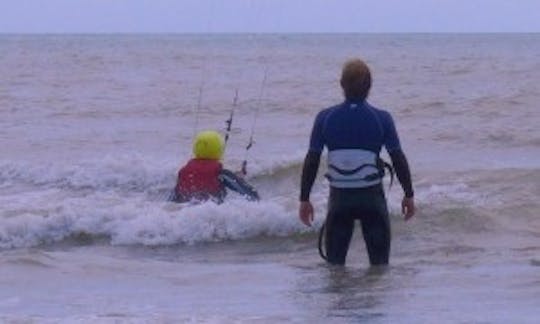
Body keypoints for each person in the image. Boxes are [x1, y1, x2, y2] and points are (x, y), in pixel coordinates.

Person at [298, 58, 415, 266]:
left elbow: (312, 160)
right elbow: (397, 158)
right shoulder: (382, 118)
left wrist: (304, 199)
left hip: (340, 202)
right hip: (371, 200)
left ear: (341, 85)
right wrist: (408, 194)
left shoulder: (325, 118)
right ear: (369, 86)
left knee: (335, 270)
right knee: (379, 270)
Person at [172, 130, 259, 203]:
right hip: (212, 213)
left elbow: (174, 199)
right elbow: (249, 193)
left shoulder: (183, 172)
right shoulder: (220, 173)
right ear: (218, 150)